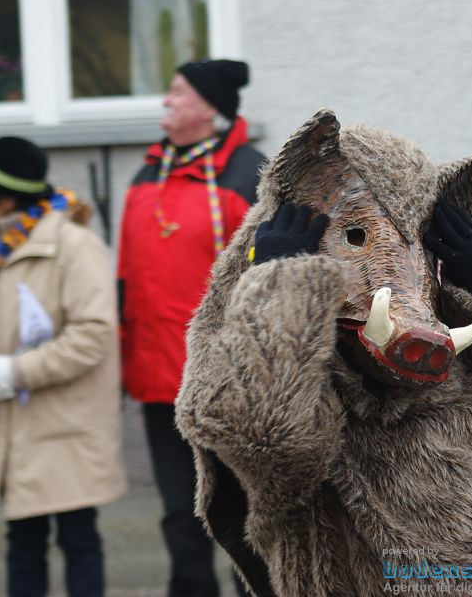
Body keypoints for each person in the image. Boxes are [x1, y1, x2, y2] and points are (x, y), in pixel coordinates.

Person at [0, 136, 126, 597]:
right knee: (22, 542)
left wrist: (15, 372)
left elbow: (92, 334)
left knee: (78, 537)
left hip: (66, 422)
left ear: (8, 197)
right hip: (13, 423)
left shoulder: (75, 245)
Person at [117, 58, 265, 597]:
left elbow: (273, 280)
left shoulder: (248, 172)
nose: (167, 101)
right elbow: (126, 279)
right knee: (181, 513)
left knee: (244, 515)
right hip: (159, 381)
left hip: (229, 385)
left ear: (210, 108)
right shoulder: (146, 174)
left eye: (178, 92)